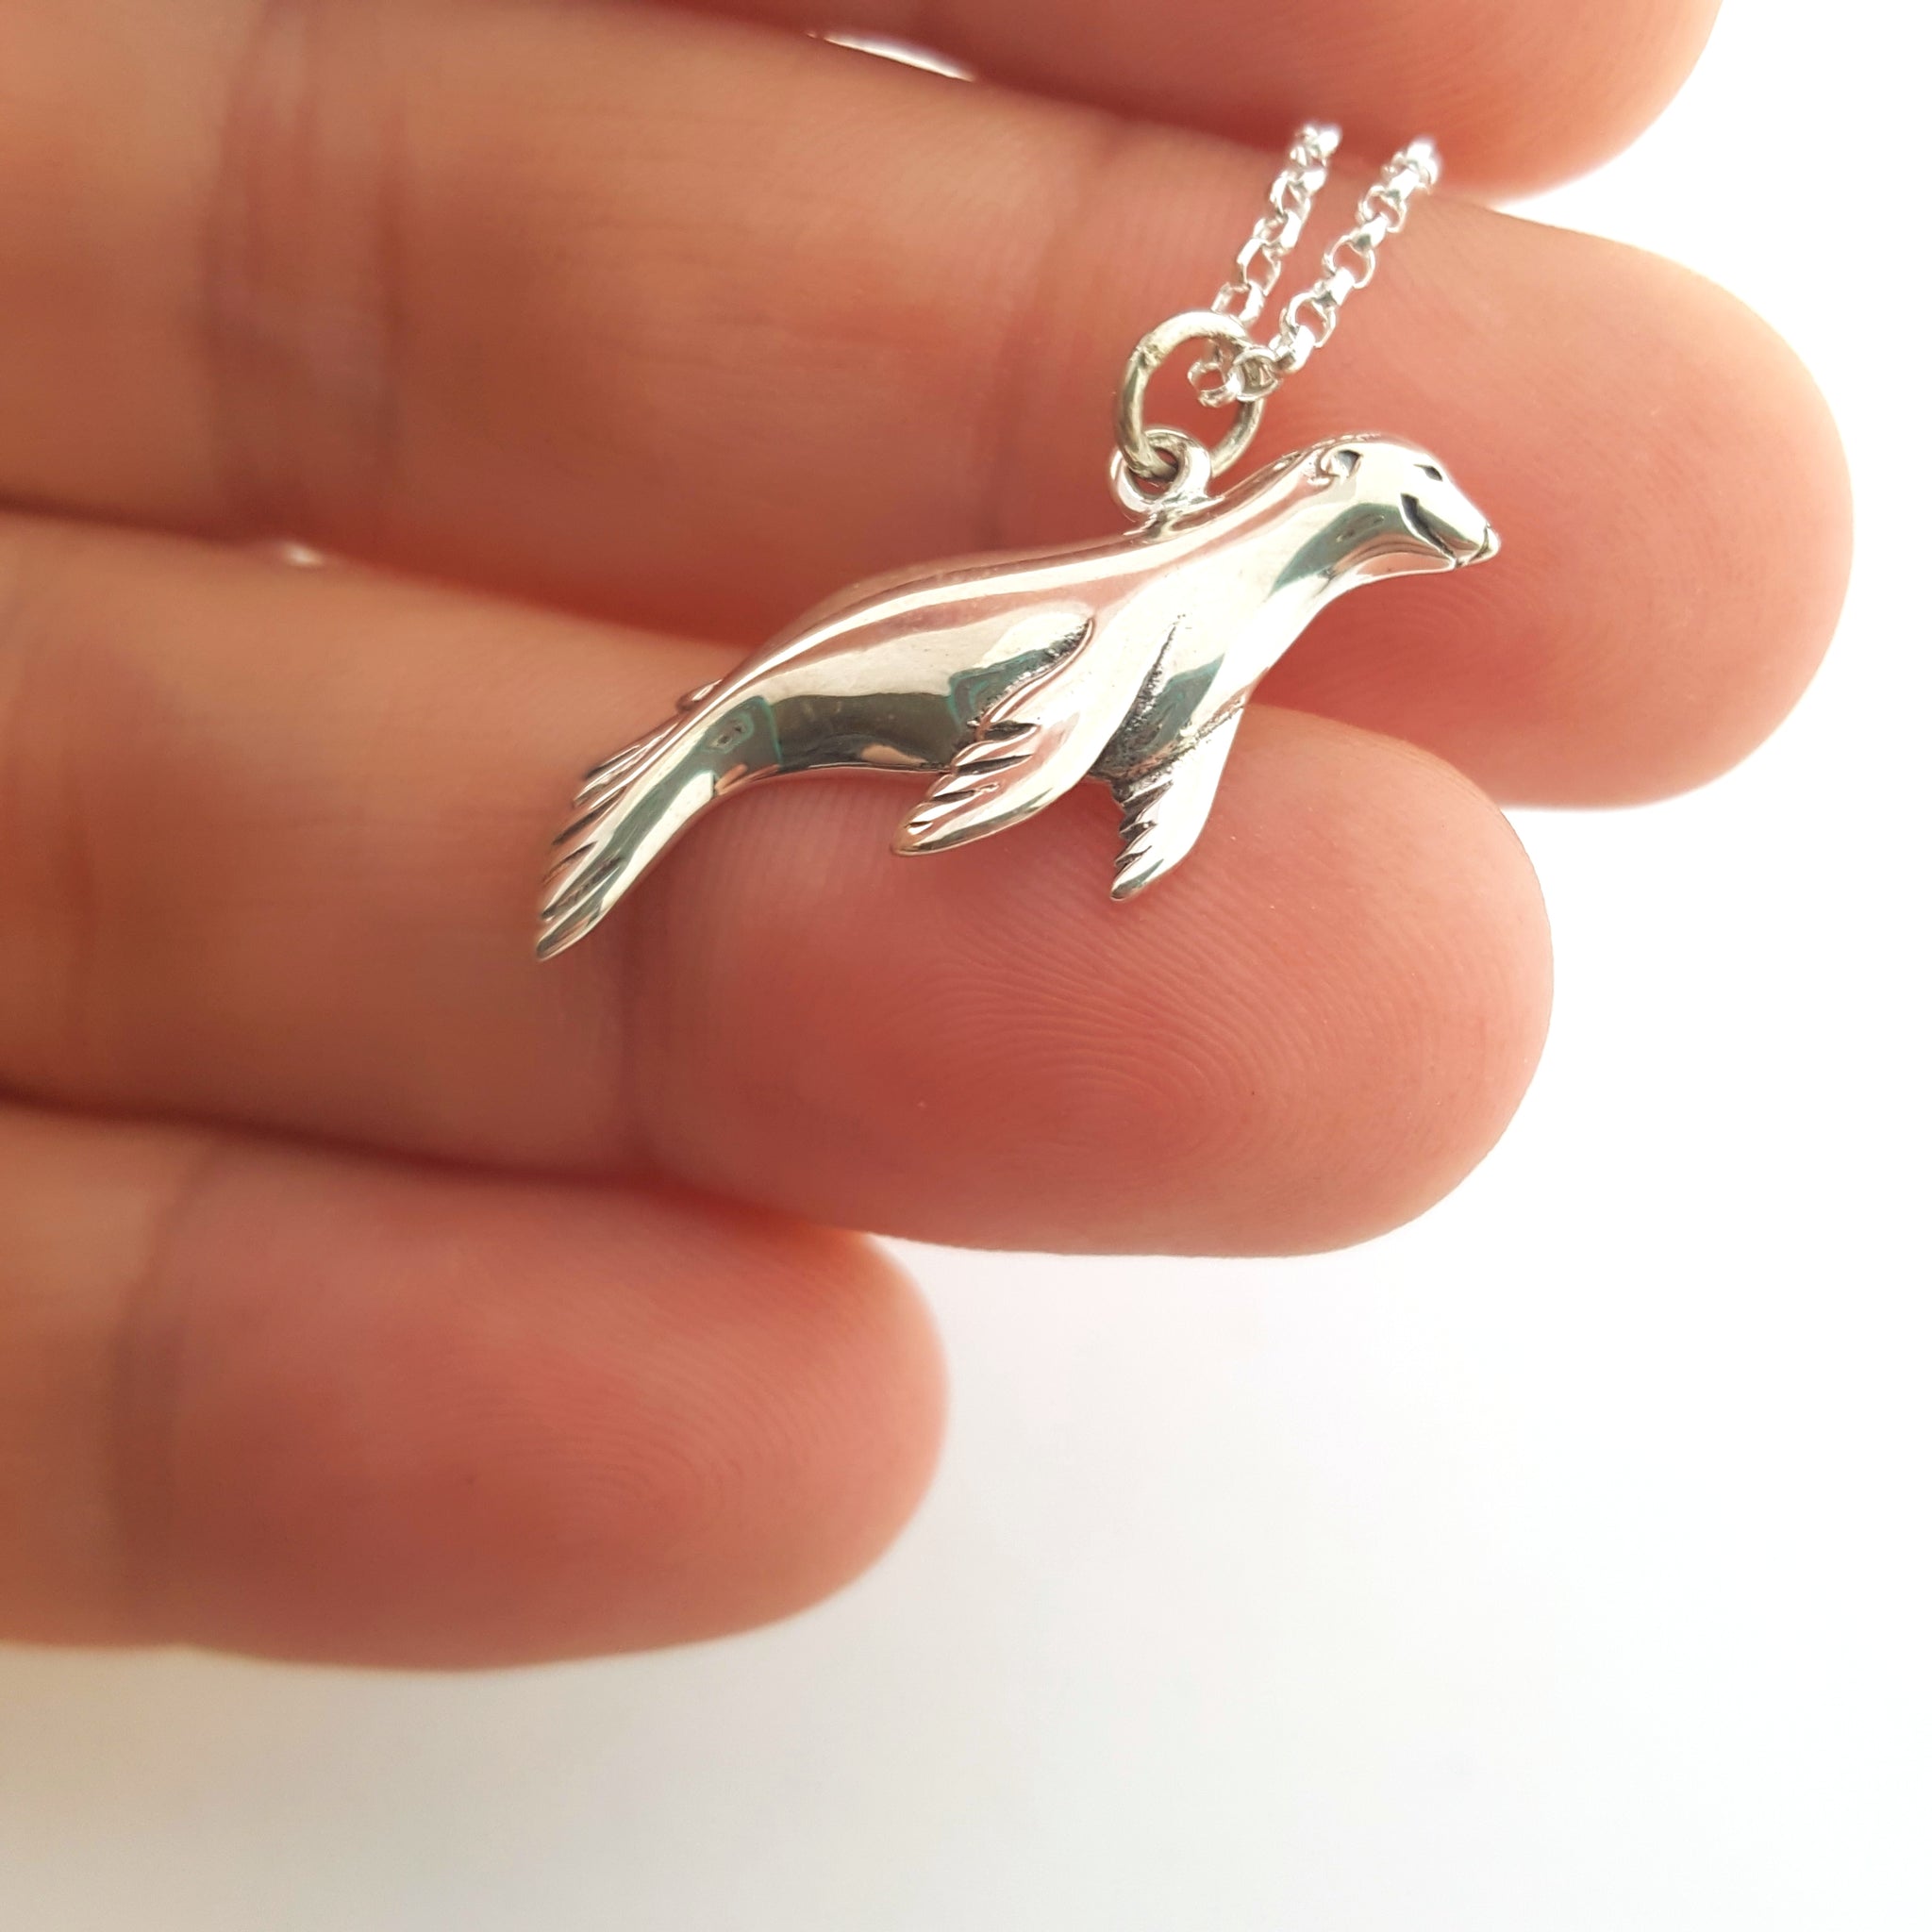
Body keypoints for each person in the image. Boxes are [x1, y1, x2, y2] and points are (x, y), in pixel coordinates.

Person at [0, 0, 1849, 1669]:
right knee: (713, 761)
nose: (1446, 519)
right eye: (1418, 492)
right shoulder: (1199, 579)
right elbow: (1113, 679)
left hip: (987, 676)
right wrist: (1024, 785)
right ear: (1350, 489)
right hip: (875, 684)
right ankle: (676, 786)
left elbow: (1177, 714)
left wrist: (1145, 810)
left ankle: (675, 789)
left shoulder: (1243, 594)